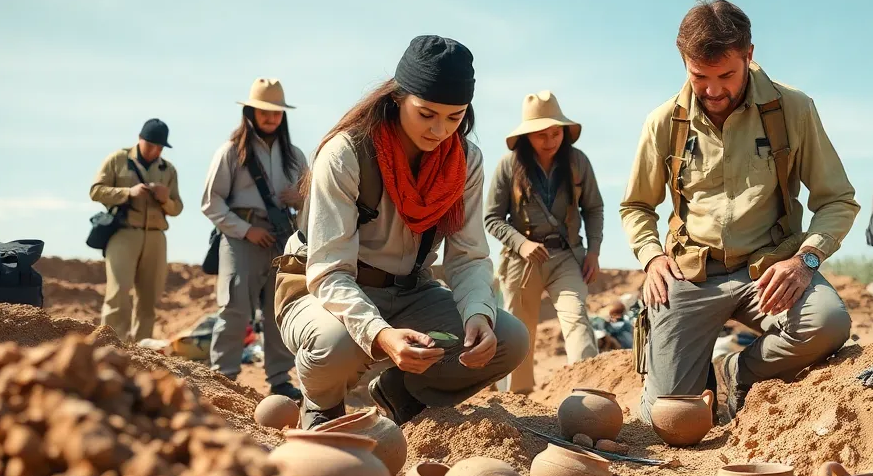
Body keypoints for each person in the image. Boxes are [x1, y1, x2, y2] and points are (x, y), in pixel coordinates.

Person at [621, 0, 858, 427]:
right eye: (699, 77)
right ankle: (691, 379)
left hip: (767, 270)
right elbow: (636, 205)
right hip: (690, 275)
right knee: (665, 419)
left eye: (726, 75)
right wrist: (652, 256)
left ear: (749, 55)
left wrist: (804, 262)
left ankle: (735, 373)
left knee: (827, 323)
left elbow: (837, 199)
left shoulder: (793, 109)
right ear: (684, 63)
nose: (712, 91)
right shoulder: (663, 123)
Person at [275, 36, 529, 428]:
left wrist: (479, 315)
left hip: (412, 291)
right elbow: (328, 271)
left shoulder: (466, 163)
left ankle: (400, 392)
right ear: (397, 98)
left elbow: (468, 255)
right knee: (337, 346)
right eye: (426, 114)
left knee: (509, 339)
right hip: (324, 287)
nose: (439, 130)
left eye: (454, 117)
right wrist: (380, 335)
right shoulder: (346, 152)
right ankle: (321, 404)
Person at [484, 91, 605, 394]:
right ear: (526, 136)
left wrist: (593, 252)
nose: (550, 140)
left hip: (566, 256)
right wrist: (521, 244)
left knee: (576, 316)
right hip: (523, 262)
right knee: (519, 332)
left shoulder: (578, 162)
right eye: (541, 135)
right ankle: (518, 400)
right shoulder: (508, 166)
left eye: (556, 132)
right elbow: (492, 219)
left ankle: (589, 394)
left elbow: (594, 209)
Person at [201, 78, 307, 400]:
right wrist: (247, 231)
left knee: (280, 312)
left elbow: (312, 203)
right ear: (251, 112)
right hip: (241, 238)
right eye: (265, 111)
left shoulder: (296, 156)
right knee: (234, 308)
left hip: (282, 239)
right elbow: (211, 201)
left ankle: (279, 380)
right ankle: (224, 380)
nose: (271, 118)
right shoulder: (231, 152)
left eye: (277, 112)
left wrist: (300, 197)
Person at [89, 118, 183, 342]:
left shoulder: (168, 169)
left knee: (149, 298)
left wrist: (165, 200)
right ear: (140, 139)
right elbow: (96, 191)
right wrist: (127, 193)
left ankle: (142, 353)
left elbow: (177, 207)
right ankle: (111, 349)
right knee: (118, 294)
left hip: (156, 238)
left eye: (159, 147)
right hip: (124, 233)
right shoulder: (117, 160)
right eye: (150, 145)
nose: (154, 151)